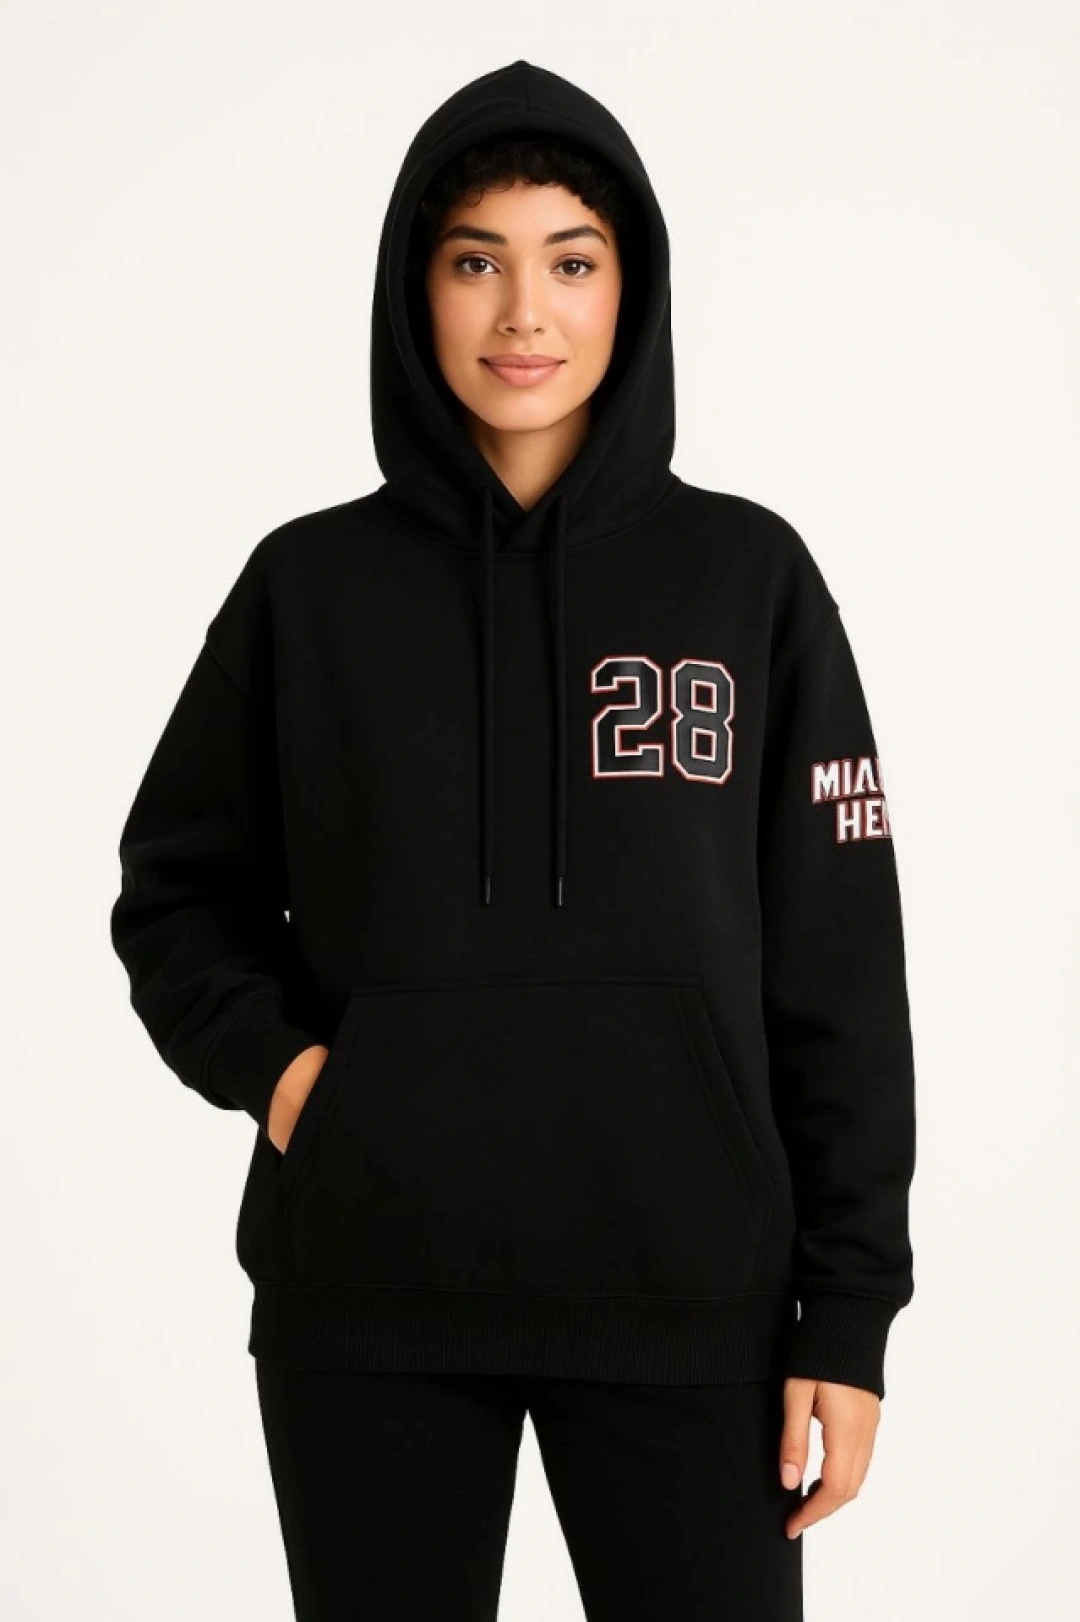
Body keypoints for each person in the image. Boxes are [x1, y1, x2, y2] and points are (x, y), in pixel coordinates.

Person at [109, 58, 917, 1621]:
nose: (524, 313)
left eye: (573, 262)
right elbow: (175, 892)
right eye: (476, 261)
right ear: (415, 288)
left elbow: (840, 964)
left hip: (693, 1297)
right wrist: (296, 1081)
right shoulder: (307, 590)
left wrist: (852, 1309)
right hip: (371, 1296)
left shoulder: (750, 580)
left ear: (632, 290)